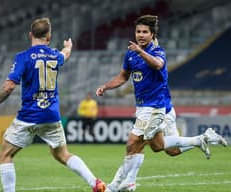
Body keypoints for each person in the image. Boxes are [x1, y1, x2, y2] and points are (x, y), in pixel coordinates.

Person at [95, 15, 226, 192]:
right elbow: (123, 76)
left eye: (145, 32)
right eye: (138, 31)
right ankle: (200, 139)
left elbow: (157, 65)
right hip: (142, 107)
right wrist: (106, 86)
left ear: (152, 34)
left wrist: (140, 51)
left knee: (133, 144)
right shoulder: (130, 54)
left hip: (155, 108)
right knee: (159, 147)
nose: (140, 35)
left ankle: (114, 187)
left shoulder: (157, 51)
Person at [0, 17, 106, 192]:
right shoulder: (54, 55)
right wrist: (68, 47)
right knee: (62, 154)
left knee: (5, 155)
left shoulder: (23, 57)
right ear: (49, 37)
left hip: (29, 116)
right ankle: (95, 183)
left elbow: (8, 87)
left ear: (30, 35)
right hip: (52, 115)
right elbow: (65, 55)